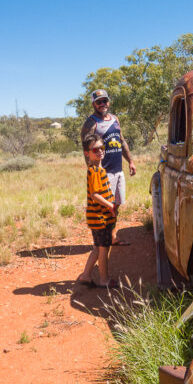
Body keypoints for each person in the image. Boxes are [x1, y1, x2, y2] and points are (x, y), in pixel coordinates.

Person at [80, 89, 136, 245]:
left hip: (118, 170)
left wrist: (130, 161)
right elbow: (87, 149)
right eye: (99, 101)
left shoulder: (115, 119)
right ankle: (102, 241)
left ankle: (112, 236)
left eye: (105, 100)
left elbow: (122, 141)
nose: (102, 104)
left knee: (116, 204)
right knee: (105, 207)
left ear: (108, 102)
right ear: (94, 104)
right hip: (105, 172)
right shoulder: (91, 122)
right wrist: (94, 170)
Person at [78, 133, 116, 288]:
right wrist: (110, 205)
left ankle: (86, 276)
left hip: (99, 217)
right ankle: (104, 279)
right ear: (87, 153)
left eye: (102, 147)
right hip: (100, 218)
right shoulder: (94, 171)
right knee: (103, 249)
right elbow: (94, 195)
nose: (100, 151)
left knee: (97, 248)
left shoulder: (99, 169)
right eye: (95, 149)